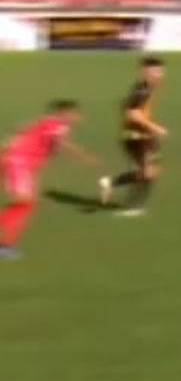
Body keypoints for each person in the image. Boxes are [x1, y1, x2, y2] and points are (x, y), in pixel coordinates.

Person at [0, 99, 97, 259]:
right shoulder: (57, 125)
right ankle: (5, 246)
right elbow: (60, 142)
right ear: (65, 113)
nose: (77, 117)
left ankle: (6, 245)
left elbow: (22, 130)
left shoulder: (48, 122)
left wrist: (10, 145)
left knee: (28, 204)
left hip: (22, 164)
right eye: (74, 113)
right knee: (25, 202)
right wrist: (84, 156)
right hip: (19, 163)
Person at [99, 56, 168, 215]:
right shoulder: (142, 90)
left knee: (151, 172)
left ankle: (110, 183)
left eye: (161, 71)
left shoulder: (146, 88)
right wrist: (156, 128)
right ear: (145, 72)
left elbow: (127, 106)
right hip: (135, 136)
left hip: (145, 135)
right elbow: (132, 114)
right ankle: (132, 206)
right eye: (155, 71)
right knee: (148, 172)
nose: (159, 75)